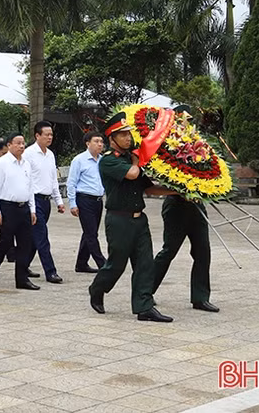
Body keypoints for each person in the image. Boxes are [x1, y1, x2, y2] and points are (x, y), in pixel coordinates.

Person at [88, 112, 176, 322]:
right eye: (123, 135)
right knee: (116, 264)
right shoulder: (108, 161)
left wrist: (177, 191)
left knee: (145, 264)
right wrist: (138, 159)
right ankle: (97, 288)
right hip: (119, 220)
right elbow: (132, 174)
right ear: (112, 139)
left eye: (129, 134)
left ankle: (144, 307)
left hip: (139, 219)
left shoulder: (132, 159)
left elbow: (149, 189)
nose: (128, 138)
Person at [153, 106, 219, 313]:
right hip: (176, 206)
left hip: (197, 205)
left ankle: (200, 297)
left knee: (203, 251)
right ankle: (144, 291)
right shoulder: (165, 145)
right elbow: (159, 174)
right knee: (169, 251)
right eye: (182, 119)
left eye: (188, 120)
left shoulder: (196, 144)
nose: (185, 123)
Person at [0, 133, 39, 290]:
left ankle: (22, 279)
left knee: (25, 243)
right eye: (18, 143)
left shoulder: (26, 164)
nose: (21, 146)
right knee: (6, 242)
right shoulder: (2, 163)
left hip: (24, 208)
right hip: (7, 207)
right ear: (9, 145)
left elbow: (30, 188)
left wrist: (32, 209)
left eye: (23, 143)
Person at [23, 121, 65, 284]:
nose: (50, 137)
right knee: (42, 236)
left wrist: (58, 201)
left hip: (46, 200)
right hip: (34, 200)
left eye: (51, 135)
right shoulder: (28, 154)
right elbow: (25, 179)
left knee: (35, 238)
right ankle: (50, 271)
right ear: (37, 135)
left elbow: (53, 179)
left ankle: (24, 265)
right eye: (46, 134)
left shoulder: (50, 154)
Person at [67, 132, 106, 273]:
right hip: (84, 199)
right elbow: (71, 183)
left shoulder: (103, 160)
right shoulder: (79, 160)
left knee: (90, 231)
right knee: (91, 234)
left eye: (101, 141)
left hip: (98, 200)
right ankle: (102, 263)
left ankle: (81, 263)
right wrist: (73, 203)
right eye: (96, 141)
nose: (100, 144)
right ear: (87, 143)